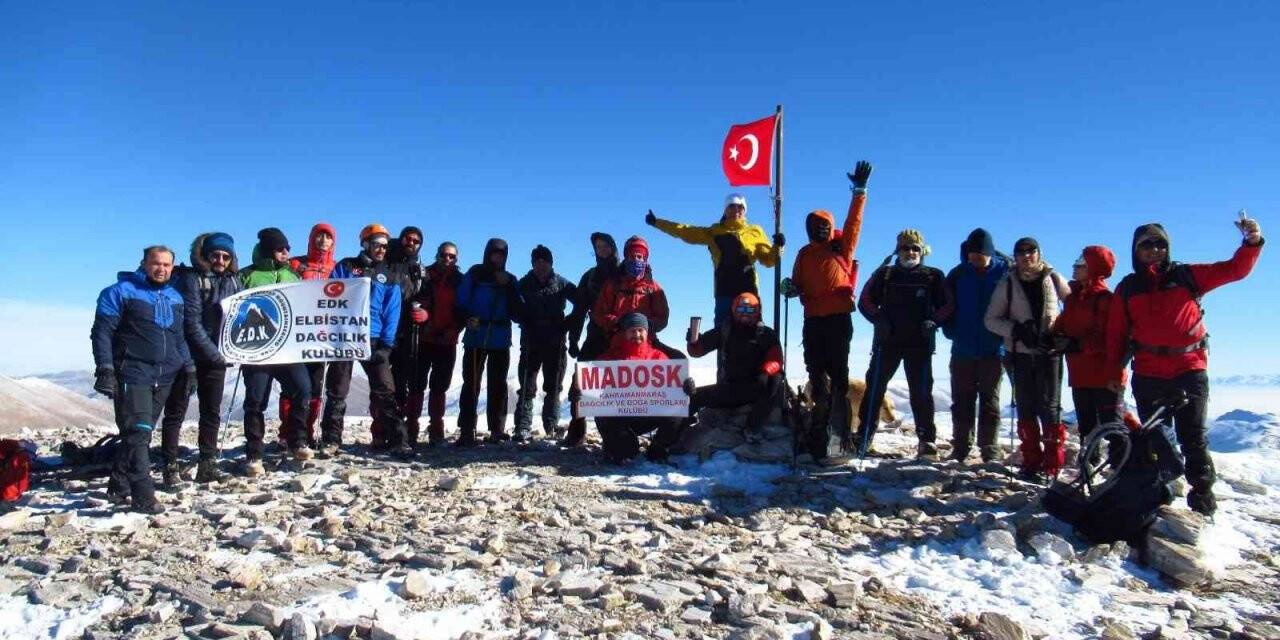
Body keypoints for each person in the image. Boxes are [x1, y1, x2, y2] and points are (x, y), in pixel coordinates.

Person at [1105, 217, 1264, 515]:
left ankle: (1202, 498)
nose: (1154, 250)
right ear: (1135, 250)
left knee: (1193, 437)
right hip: (1148, 372)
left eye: (1160, 244)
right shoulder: (1128, 288)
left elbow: (1235, 270)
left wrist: (1251, 242)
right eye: (1146, 245)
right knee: (1156, 438)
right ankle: (1159, 494)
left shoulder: (1187, 275)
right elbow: (1116, 333)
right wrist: (1116, 372)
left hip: (1189, 369)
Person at [91, 245, 193, 513]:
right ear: (144, 263)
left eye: (167, 265)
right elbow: (102, 333)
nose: (161, 269)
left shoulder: (175, 297)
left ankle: (118, 484)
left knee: (140, 434)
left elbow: (179, 337)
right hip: (132, 372)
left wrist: (189, 367)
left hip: (167, 375)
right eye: (155, 263)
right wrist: (105, 368)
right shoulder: (119, 292)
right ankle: (143, 495)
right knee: (138, 433)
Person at [781, 161, 871, 460]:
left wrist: (859, 191)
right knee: (817, 379)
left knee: (840, 379)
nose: (818, 230)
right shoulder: (804, 254)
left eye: (823, 226)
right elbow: (796, 284)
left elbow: (855, 222)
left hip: (837, 320)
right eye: (814, 227)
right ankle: (822, 436)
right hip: (813, 323)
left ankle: (840, 438)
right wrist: (789, 289)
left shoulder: (842, 248)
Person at [855, 229, 953, 459]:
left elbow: (949, 305)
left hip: (919, 345)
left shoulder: (934, 277)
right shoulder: (885, 275)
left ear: (922, 251)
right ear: (897, 250)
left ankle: (926, 442)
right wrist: (878, 319)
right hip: (887, 343)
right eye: (905, 248)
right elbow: (865, 300)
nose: (910, 252)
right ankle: (864, 437)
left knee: (921, 394)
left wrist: (934, 321)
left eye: (915, 248)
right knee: (875, 390)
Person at [984, 237, 1072, 480]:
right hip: (1020, 354)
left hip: (1050, 353)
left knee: (1050, 408)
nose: (1026, 255)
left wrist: (1064, 334)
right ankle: (1032, 462)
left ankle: (1052, 464)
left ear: (1039, 252)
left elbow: (1074, 307)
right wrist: (1017, 330)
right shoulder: (1008, 282)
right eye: (1020, 252)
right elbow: (991, 319)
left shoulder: (1054, 278)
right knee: (1025, 408)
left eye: (1031, 250)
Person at [324, 224, 410, 457]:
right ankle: (331, 440)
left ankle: (398, 440)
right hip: (346, 337)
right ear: (365, 244)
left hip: (373, 339)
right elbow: (329, 296)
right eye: (376, 245)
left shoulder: (389, 274)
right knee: (337, 390)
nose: (381, 250)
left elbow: (393, 310)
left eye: (384, 246)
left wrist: (386, 344)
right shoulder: (346, 267)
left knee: (385, 390)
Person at [163, 232, 241, 485]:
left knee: (211, 411)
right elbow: (191, 322)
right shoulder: (192, 280)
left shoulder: (233, 281)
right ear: (205, 255)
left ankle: (207, 464)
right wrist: (216, 354)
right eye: (215, 255)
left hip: (217, 355)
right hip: (187, 355)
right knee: (176, 411)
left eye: (226, 256)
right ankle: (170, 466)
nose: (220, 260)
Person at [238, 227, 314, 473]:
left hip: (288, 349)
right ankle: (254, 453)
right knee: (256, 400)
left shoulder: (293, 276)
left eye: (287, 248)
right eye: (281, 248)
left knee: (303, 390)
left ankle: (297, 441)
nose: (286, 252)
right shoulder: (246, 276)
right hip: (257, 349)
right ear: (270, 249)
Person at [646, 194, 782, 326]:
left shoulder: (755, 231)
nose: (736, 210)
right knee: (723, 332)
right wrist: (657, 222)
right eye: (731, 207)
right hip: (724, 290)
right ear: (725, 210)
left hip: (748, 289)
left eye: (740, 207)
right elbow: (685, 231)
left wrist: (778, 246)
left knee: (753, 331)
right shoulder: (714, 231)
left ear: (745, 211)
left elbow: (769, 260)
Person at [1049, 246, 1124, 466]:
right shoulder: (1074, 298)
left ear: (1094, 268)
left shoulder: (1105, 299)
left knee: (1112, 426)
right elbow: (1062, 326)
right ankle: (1089, 468)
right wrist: (1052, 337)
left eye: (1081, 262)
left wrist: (1077, 344)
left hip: (1105, 374)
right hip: (1080, 372)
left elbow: (1113, 338)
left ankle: (1120, 468)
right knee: (1087, 425)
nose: (1075, 265)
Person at [942, 228, 1010, 463]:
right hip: (962, 347)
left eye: (979, 256)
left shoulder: (1005, 272)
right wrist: (950, 330)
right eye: (971, 255)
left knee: (990, 399)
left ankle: (989, 447)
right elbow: (946, 304)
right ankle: (960, 446)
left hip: (994, 348)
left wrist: (1007, 336)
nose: (974, 260)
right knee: (961, 399)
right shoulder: (959, 274)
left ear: (989, 253)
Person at [588, 313, 688, 463]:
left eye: (641, 330)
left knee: (679, 408)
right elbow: (592, 392)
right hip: (619, 417)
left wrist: (685, 387)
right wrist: (582, 390)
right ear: (625, 333)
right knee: (626, 451)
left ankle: (658, 448)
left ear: (647, 333)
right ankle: (618, 445)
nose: (637, 334)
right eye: (632, 330)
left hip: (648, 414)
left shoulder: (659, 357)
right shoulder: (608, 359)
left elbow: (673, 391)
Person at [685, 292, 783, 442]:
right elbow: (697, 351)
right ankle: (672, 431)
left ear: (757, 312)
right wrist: (693, 341)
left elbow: (776, 359)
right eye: (740, 310)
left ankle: (753, 427)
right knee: (692, 398)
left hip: (756, 387)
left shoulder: (766, 334)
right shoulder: (725, 330)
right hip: (731, 388)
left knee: (775, 378)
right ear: (733, 310)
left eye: (750, 310)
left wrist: (766, 371)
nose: (745, 314)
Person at [456, 238, 522, 445]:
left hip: (500, 338)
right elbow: (461, 301)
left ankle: (497, 429)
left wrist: (510, 287)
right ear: (487, 253)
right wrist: (467, 317)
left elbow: (518, 312)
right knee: (471, 384)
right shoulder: (475, 274)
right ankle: (467, 429)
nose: (498, 257)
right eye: (495, 253)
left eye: (502, 254)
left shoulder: (510, 280)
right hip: (476, 335)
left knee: (498, 385)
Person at [398, 241, 463, 446]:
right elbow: (414, 298)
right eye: (444, 255)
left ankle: (436, 429)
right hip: (424, 338)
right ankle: (411, 427)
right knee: (416, 384)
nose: (447, 259)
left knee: (439, 386)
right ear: (437, 254)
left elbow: (463, 309)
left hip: (447, 340)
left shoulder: (460, 281)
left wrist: (455, 328)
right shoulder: (425, 275)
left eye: (452, 256)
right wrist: (421, 314)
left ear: (456, 259)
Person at [513, 245, 579, 443]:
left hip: (555, 342)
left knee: (554, 386)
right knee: (527, 386)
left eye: (545, 261)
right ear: (532, 263)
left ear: (551, 263)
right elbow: (512, 306)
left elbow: (581, 302)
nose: (541, 265)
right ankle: (522, 427)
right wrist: (523, 319)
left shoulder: (561, 283)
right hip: (531, 341)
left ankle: (551, 426)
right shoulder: (523, 283)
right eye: (537, 261)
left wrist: (566, 324)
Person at [280, 222, 338, 449]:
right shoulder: (296, 265)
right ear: (311, 238)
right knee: (291, 386)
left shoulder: (336, 268)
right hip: (295, 335)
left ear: (334, 242)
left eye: (328, 237)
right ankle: (287, 432)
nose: (323, 241)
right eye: (319, 236)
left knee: (315, 386)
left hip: (321, 337)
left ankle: (307, 430)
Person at [563, 232, 621, 446]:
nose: (602, 249)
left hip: (621, 337)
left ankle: (617, 433)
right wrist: (574, 340)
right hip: (595, 334)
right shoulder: (589, 277)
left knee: (619, 386)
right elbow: (579, 310)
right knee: (580, 384)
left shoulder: (626, 272)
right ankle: (577, 432)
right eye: (598, 246)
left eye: (606, 245)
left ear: (613, 247)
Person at [591, 235, 674, 354]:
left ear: (645, 260)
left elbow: (663, 318)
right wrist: (618, 322)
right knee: (584, 368)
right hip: (617, 343)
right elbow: (599, 314)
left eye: (639, 257)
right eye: (632, 256)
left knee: (678, 359)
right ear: (626, 258)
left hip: (647, 342)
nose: (636, 260)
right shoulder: (613, 284)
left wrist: (647, 324)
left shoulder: (654, 288)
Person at [388, 225, 429, 444]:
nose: (411, 244)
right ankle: (380, 431)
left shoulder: (419, 269)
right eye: (408, 239)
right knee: (383, 384)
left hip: (407, 330)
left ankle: (401, 431)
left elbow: (427, 296)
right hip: (385, 330)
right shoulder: (386, 261)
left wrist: (425, 312)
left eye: (416, 241)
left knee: (403, 381)